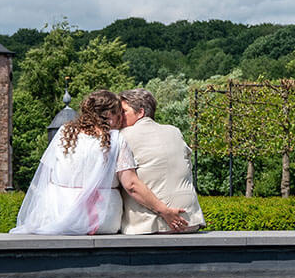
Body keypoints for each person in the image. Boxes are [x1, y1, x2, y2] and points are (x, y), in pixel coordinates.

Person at [11, 89, 188, 235]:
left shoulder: (65, 132)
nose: (122, 120)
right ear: (110, 115)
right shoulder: (116, 139)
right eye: (120, 114)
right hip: (100, 219)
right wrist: (164, 211)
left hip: (55, 214)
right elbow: (131, 185)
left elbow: (46, 176)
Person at [118, 88, 205, 234]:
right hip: (190, 220)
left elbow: (131, 185)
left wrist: (165, 211)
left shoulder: (123, 136)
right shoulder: (174, 131)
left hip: (150, 226)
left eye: (123, 112)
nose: (119, 117)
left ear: (140, 112)